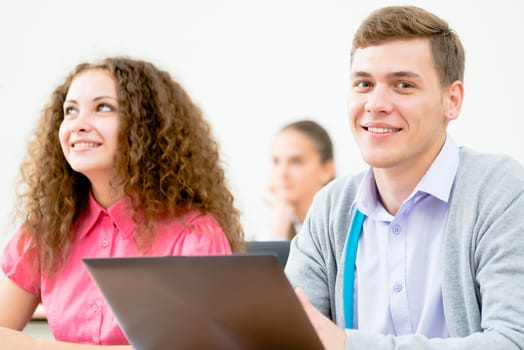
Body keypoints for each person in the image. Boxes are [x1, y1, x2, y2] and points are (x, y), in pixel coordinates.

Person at [285, 5, 524, 350]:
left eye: (403, 84)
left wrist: (349, 345)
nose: (376, 103)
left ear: (452, 101)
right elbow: (291, 335)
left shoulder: (499, 192)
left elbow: (513, 341)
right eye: (364, 83)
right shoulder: (331, 207)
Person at [0, 57, 243, 348]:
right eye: (70, 111)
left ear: (146, 126)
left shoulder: (195, 236)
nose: (78, 125)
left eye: (103, 107)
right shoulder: (46, 230)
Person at [258, 120, 335, 241]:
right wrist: (281, 212)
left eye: (296, 161)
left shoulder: (339, 229)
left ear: (327, 170)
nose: (282, 173)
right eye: (276, 161)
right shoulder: (275, 225)